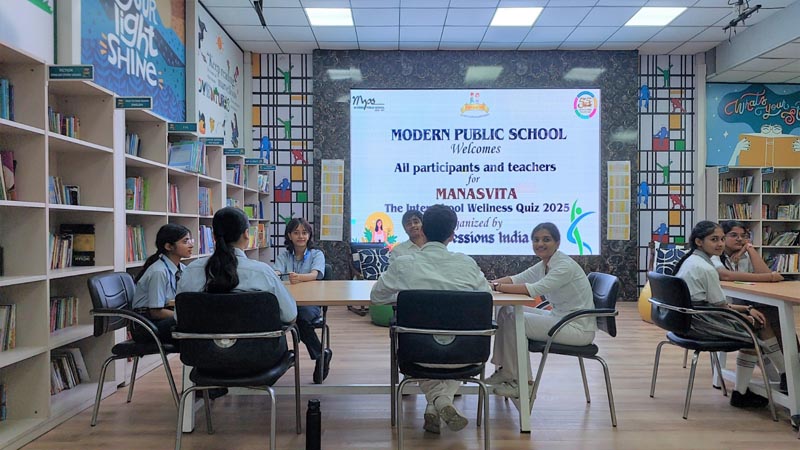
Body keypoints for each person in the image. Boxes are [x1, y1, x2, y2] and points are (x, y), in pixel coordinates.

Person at [371, 204, 491, 434]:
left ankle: (437, 401)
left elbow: (377, 297)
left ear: (423, 230)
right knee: (450, 347)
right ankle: (441, 402)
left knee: (424, 346)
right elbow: (485, 297)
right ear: (452, 234)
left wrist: (406, 296)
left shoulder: (404, 264)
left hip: (417, 354)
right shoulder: (467, 264)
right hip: (465, 354)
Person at [673, 220, 787, 408]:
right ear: (699, 242)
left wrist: (747, 309)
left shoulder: (691, 260)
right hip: (701, 323)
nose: (720, 244)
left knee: (755, 319)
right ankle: (768, 382)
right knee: (757, 325)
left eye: (721, 239)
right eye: (714, 239)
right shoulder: (707, 268)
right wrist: (747, 313)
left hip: (686, 319)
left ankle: (780, 377)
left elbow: (718, 305)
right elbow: (722, 307)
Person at [488, 222, 596, 399]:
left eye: (546, 239)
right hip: (560, 318)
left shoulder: (564, 266)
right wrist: (487, 284)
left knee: (516, 320)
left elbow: (534, 289)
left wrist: (495, 287)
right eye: (536, 240)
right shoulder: (545, 264)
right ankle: (506, 371)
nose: (540, 244)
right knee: (506, 310)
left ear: (557, 242)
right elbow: (516, 279)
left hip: (577, 328)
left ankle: (525, 384)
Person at [710, 220, 786, 388]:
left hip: (744, 304)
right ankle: (786, 374)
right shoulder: (715, 254)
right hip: (724, 308)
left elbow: (765, 273)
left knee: (776, 315)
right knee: (765, 319)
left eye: (744, 236)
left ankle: (785, 374)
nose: (740, 239)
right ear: (723, 237)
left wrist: (750, 249)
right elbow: (726, 275)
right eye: (734, 235)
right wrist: (768, 277)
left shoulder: (744, 255)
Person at [273, 218, 331, 384]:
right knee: (284, 315)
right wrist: (275, 274)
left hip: (310, 302)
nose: (301, 236)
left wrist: (299, 277)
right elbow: (277, 272)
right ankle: (321, 354)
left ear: (309, 235)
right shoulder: (283, 256)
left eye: (304, 233)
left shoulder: (316, 254)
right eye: (296, 233)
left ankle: (317, 355)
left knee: (298, 316)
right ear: (289, 235)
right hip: (288, 301)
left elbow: (315, 274)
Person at [131, 224, 193, 344]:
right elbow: (156, 312)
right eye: (185, 241)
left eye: (190, 240)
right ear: (169, 246)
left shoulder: (182, 268)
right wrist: (184, 316)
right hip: (146, 326)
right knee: (193, 324)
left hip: (161, 320)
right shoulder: (158, 272)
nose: (191, 245)